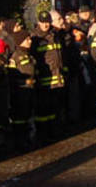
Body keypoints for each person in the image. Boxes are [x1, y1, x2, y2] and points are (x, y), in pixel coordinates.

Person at [31, 11, 64, 143]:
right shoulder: (35, 38)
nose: (45, 24)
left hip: (57, 77)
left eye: (47, 22)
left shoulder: (54, 35)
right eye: (43, 22)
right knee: (43, 109)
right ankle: (42, 133)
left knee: (54, 107)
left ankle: (54, 131)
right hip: (43, 79)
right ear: (38, 22)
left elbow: (59, 55)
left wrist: (63, 71)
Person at [8, 30, 36, 150]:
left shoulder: (29, 54)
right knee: (20, 118)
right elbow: (11, 78)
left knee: (28, 116)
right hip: (20, 93)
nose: (30, 41)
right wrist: (24, 82)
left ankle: (28, 139)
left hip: (30, 91)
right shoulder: (15, 57)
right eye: (27, 39)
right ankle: (20, 141)